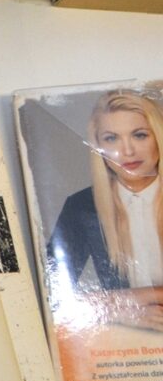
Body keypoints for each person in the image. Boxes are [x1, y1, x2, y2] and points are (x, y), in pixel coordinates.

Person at [47, 90, 163, 330]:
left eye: (139, 135)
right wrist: (117, 310)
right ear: (98, 147)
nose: (127, 151)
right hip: (127, 342)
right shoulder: (82, 207)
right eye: (111, 139)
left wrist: (129, 298)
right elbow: (48, 292)